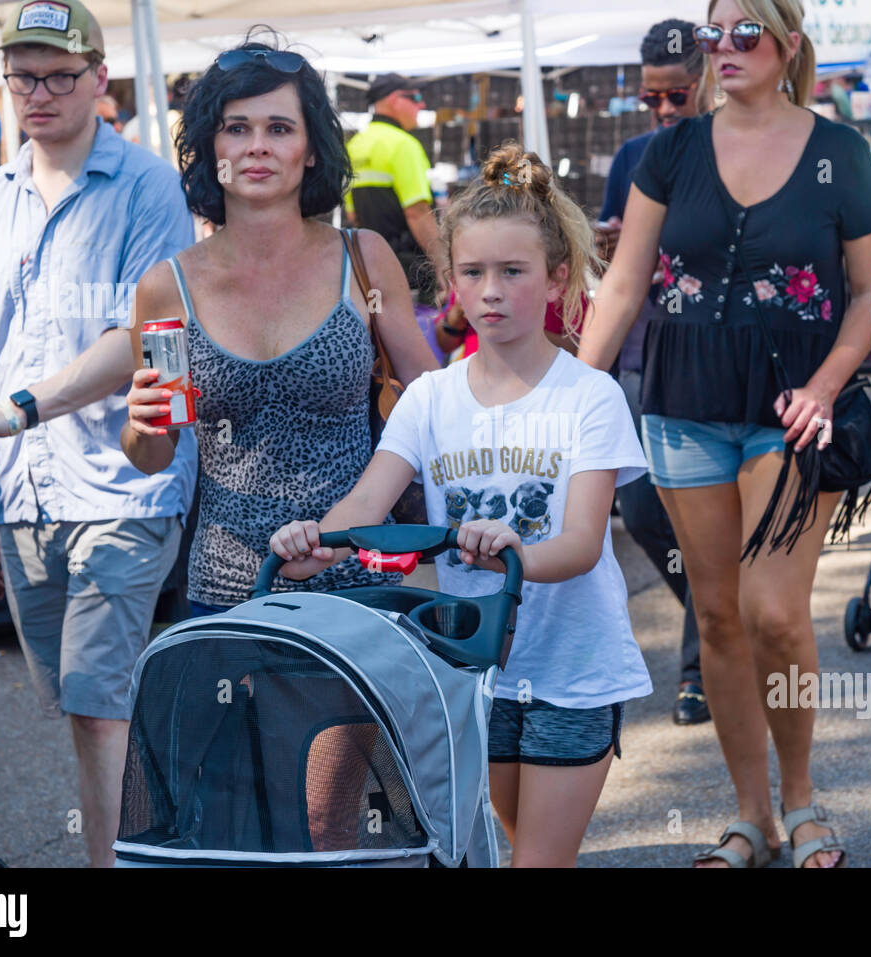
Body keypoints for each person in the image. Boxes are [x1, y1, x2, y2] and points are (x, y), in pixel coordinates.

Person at [0, 0, 197, 868]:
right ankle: (160, 837)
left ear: (100, 78)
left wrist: (14, 409)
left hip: (125, 484)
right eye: (23, 75)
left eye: (60, 75)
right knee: (84, 704)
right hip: (27, 496)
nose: (40, 92)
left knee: (97, 703)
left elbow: (139, 333)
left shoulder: (146, 186)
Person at [270, 145, 651, 867]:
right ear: (450, 282)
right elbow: (368, 500)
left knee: (539, 861)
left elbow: (581, 542)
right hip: (474, 670)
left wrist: (514, 551)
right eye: (473, 273)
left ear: (556, 277)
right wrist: (314, 541)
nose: (492, 291)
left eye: (514, 271)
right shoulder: (430, 397)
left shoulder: (589, 396)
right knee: (512, 851)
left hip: (574, 670)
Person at [579, 0, 871, 868]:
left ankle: (802, 797)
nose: (725, 48)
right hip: (683, 404)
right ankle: (749, 813)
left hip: (794, 410)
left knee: (775, 614)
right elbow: (626, 283)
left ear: (788, 44)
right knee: (716, 616)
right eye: (714, 34)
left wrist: (827, 384)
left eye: (745, 31)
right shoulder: (669, 153)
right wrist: (575, 390)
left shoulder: (840, 154)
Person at [121, 39, 439, 614]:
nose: (257, 147)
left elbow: (429, 403)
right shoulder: (167, 286)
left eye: (280, 128)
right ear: (210, 147)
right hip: (227, 593)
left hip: (364, 581)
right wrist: (141, 426)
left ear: (312, 149)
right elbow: (154, 455)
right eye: (236, 128)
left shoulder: (361, 259)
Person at [595, 17, 710, 727]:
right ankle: (718, 609)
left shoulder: (729, 154)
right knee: (641, 512)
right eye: (652, 100)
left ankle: (699, 668)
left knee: (702, 518)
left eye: (677, 97)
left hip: (705, 358)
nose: (664, 112)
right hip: (639, 353)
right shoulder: (634, 156)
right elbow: (613, 270)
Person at [344, 73, 441, 306]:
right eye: (415, 97)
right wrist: (442, 266)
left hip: (368, 268)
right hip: (409, 274)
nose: (421, 104)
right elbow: (417, 212)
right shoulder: (402, 144)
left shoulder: (354, 145)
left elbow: (353, 216)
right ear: (395, 99)